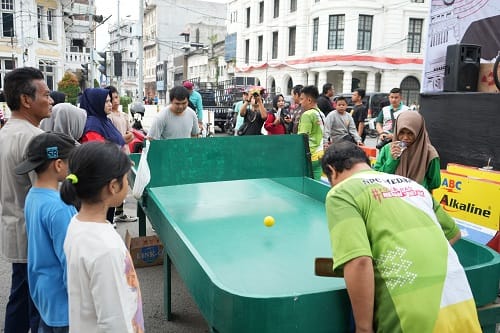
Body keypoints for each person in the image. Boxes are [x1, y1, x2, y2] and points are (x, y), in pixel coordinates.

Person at [321, 141, 482, 333]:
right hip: (460, 305)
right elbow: (453, 233)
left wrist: (363, 328)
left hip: (410, 316)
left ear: (332, 170)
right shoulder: (412, 185)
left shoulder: (341, 193)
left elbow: (359, 262)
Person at [61, 141, 144, 332]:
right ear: (113, 186)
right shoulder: (106, 248)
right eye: (125, 178)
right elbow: (115, 321)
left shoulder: (77, 223)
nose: (128, 183)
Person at [0, 67, 52, 332]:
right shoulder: (35, 138)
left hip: (13, 226)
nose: (51, 99)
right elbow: (47, 193)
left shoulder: (6, 132)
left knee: (20, 299)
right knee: (38, 306)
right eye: (45, 94)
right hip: (35, 236)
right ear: (26, 100)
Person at [15, 132, 77, 332]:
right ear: (58, 165)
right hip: (65, 304)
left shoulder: (33, 196)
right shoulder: (60, 207)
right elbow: (69, 260)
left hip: (43, 295)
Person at [79, 87, 125, 228]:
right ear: (95, 103)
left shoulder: (104, 120)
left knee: (107, 219)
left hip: (111, 176)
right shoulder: (92, 124)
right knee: (101, 222)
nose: (110, 104)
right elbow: (99, 154)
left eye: (110, 100)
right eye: (106, 101)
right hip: (101, 182)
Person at [373, 111, 441, 191]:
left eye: (410, 133)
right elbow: (377, 176)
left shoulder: (429, 153)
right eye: (401, 132)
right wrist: (392, 160)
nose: (405, 137)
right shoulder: (388, 149)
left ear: (419, 132)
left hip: (417, 200)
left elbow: (435, 182)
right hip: (391, 199)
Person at [106, 86, 138, 224]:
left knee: (122, 184)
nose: (115, 101)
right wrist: (122, 138)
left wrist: (124, 137)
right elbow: (114, 138)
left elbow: (130, 134)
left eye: (116, 97)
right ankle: (109, 217)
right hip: (114, 155)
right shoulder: (108, 117)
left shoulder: (124, 115)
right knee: (112, 186)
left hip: (124, 153)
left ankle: (120, 213)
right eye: (111, 99)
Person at [297, 85, 326, 180]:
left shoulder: (307, 114)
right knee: (317, 182)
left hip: (309, 156)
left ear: (309, 100)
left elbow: (302, 138)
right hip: (320, 155)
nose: (300, 102)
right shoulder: (320, 113)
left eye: (302, 99)